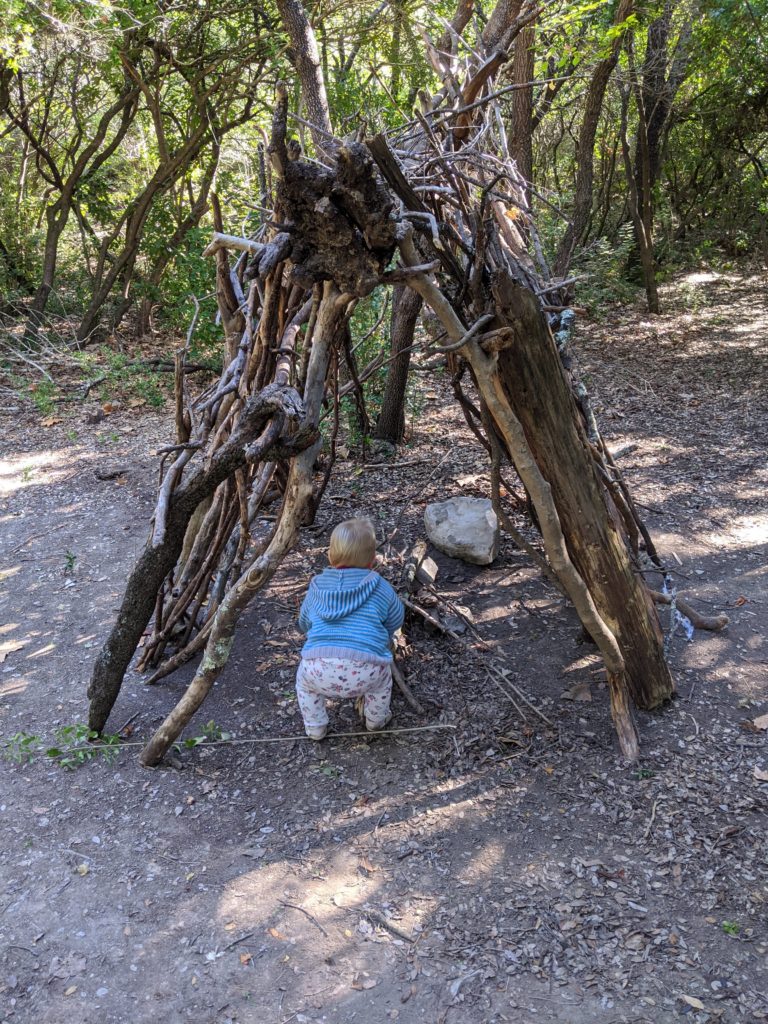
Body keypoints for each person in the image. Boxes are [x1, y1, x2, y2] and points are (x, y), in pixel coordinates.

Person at [296, 517, 404, 740]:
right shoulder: (380, 586)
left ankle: (315, 726)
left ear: (330, 556)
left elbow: (304, 622)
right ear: (372, 560)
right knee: (382, 683)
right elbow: (396, 619)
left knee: (305, 685)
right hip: (367, 669)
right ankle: (376, 719)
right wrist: (381, 635)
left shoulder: (316, 587)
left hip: (318, 669)